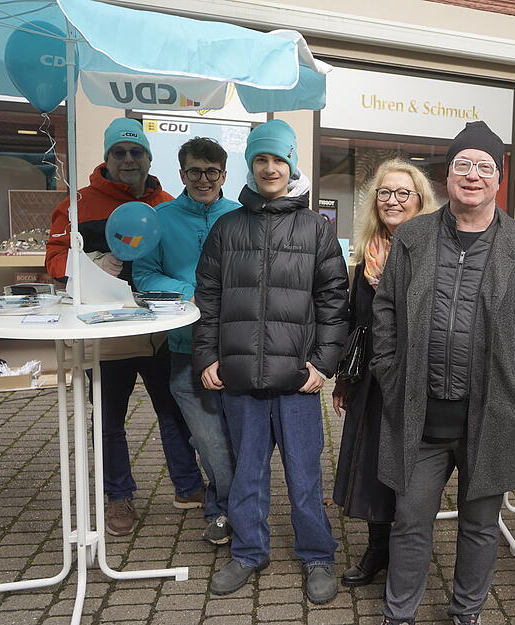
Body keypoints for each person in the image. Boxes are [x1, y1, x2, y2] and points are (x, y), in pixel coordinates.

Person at [371, 120, 515, 625]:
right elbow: (385, 310)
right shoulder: (412, 237)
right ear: (448, 174)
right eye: (462, 165)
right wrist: (390, 374)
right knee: (410, 522)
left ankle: (467, 614)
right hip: (421, 414)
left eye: (484, 167)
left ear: (498, 179)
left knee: (480, 525)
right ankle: (399, 615)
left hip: (493, 413)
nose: (472, 175)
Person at [192, 119, 348, 603]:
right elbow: (209, 298)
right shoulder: (226, 228)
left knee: (305, 473)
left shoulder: (316, 229)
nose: (270, 168)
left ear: (292, 164)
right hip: (239, 377)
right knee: (246, 472)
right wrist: (206, 356)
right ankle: (247, 550)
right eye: (261, 159)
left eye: (279, 159)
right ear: (251, 165)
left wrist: (323, 363)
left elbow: (334, 300)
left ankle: (318, 555)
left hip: (296, 379)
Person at [45, 118, 204, 537]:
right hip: (105, 332)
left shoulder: (166, 203)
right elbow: (54, 260)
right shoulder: (78, 203)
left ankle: (187, 487)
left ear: (149, 159)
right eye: (120, 152)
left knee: (173, 411)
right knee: (110, 418)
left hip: (158, 331)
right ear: (107, 158)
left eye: (137, 152)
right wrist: (93, 265)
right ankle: (119, 497)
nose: (129, 160)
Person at [331, 159, 438, 588]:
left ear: (419, 202)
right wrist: (346, 379)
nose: (392, 201)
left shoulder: (433, 251)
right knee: (371, 465)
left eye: (402, 193)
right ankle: (377, 550)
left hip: (416, 381)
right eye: (385, 193)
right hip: (372, 380)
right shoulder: (366, 252)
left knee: (410, 469)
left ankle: (406, 553)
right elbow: (355, 321)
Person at [133, 137, 240, 545]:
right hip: (185, 350)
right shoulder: (160, 218)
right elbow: (144, 277)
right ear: (181, 174)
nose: (203, 179)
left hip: (238, 348)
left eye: (211, 172)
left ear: (223, 175)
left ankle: (221, 508)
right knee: (210, 441)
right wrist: (190, 289)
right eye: (194, 171)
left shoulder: (240, 215)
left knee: (241, 441)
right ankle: (234, 508)